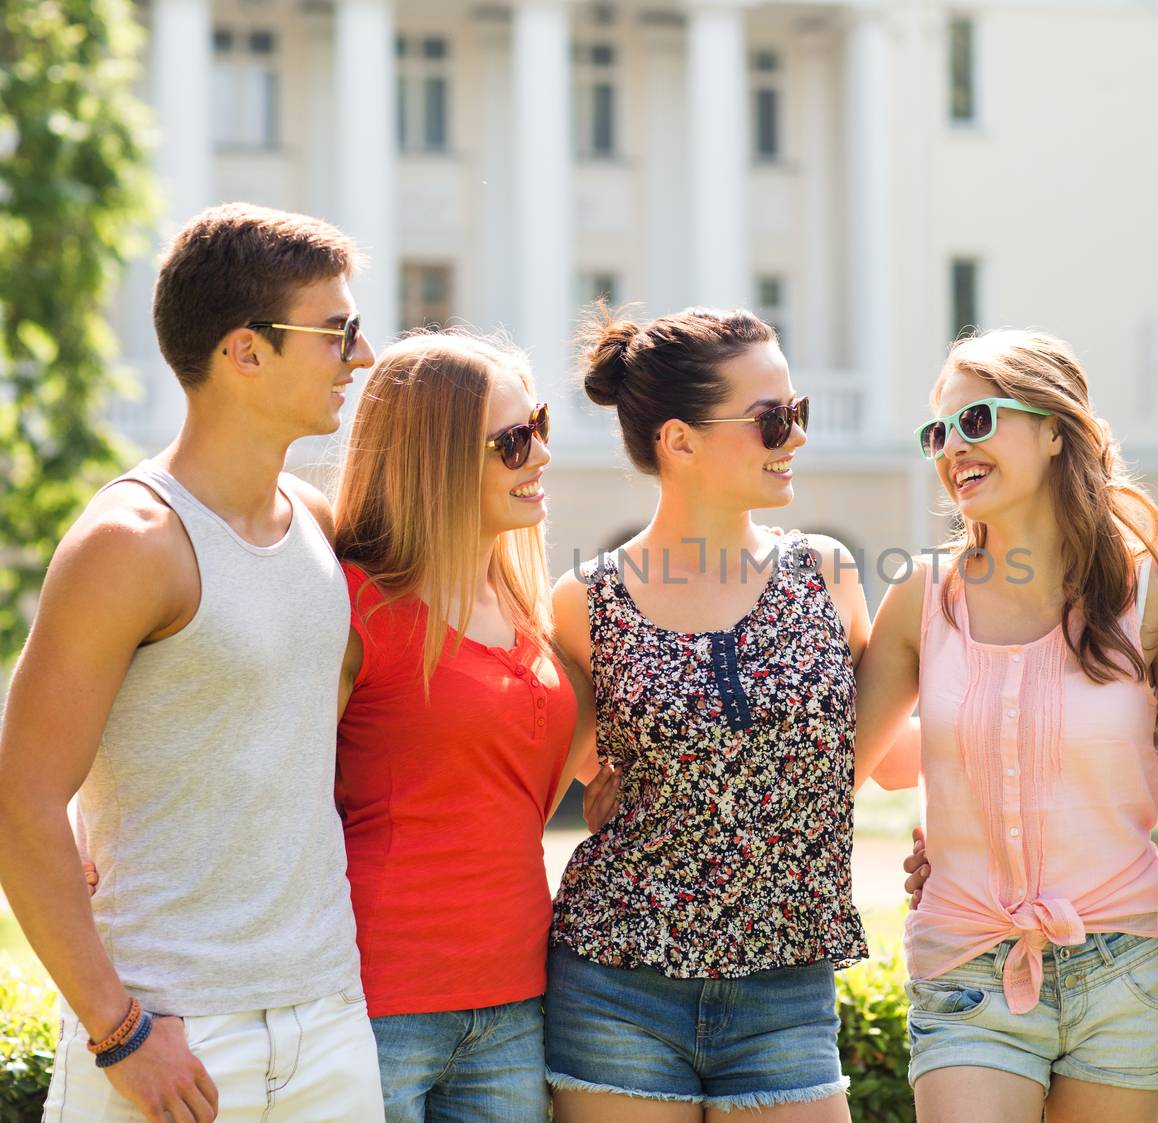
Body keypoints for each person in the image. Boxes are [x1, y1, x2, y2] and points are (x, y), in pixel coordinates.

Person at [0, 204, 383, 1122]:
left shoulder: (318, 526)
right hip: (170, 1032)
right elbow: (20, 796)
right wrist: (118, 1029)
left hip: (329, 1017)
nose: (359, 358)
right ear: (244, 352)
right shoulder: (129, 541)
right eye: (338, 333)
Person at [856, 330, 1158, 1123]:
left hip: (1123, 963)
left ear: (1055, 431)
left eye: (975, 421)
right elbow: (858, 762)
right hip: (969, 962)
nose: (951, 449)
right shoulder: (923, 597)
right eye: (936, 433)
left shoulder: (1155, 591)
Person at [542, 304, 870, 1121]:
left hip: (785, 988)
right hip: (616, 983)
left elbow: (884, 752)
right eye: (771, 419)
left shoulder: (824, 573)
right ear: (678, 441)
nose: (794, 436)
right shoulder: (584, 600)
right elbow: (547, 768)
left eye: (797, 413)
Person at [331, 330, 588, 1120]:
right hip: (378, 1004)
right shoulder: (352, 605)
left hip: (516, 1000)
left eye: (538, 425)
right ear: (434, 458)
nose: (541, 454)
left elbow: (515, 794)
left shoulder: (530, 614)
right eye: (514, 441)